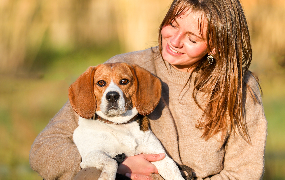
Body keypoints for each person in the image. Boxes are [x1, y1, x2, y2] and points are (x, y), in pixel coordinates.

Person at [29, 0, 267, 179]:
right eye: (172, 25)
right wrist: (116, 166)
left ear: (215, 46)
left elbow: (243, 172)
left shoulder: (241, 88)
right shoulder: (124, 70)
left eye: (192, 39)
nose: (174, 41)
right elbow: (45, 148)